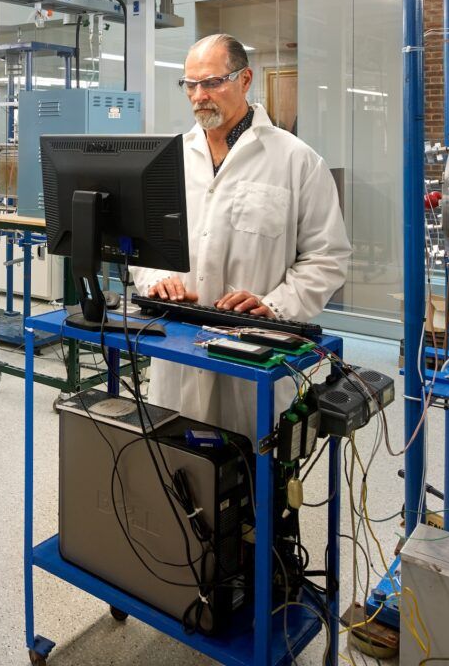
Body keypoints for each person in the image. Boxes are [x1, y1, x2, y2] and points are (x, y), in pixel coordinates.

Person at [131, 33, 350, 430]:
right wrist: (156, 280)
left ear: (245, 80)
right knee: (171, 464)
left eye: (213, 82)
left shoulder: (296, 161)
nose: (199, 96)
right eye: (190, 85)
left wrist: (278, 306)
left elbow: (327, 257)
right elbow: (144, 244)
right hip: (177, 348)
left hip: (255, 352)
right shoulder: (170, 159)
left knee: (251, 474)